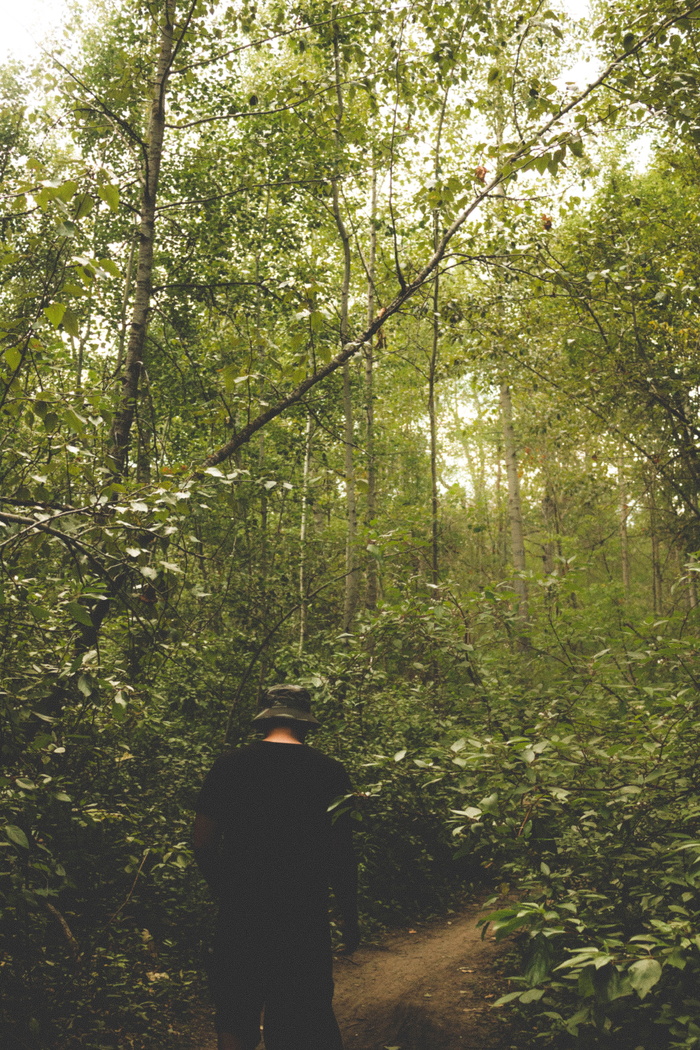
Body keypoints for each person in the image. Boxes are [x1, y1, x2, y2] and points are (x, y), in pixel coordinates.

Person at [193, 684, 359, 1050]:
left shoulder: (229, 765)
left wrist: (228, 893)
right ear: (306, 723)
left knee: (236, 1013)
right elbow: (341, 855)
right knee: (301, 1019)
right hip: (303, 919)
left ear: (264, 717)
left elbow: (202, 841)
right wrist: (350, 917)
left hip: (241, 916)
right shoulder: (330, 772)